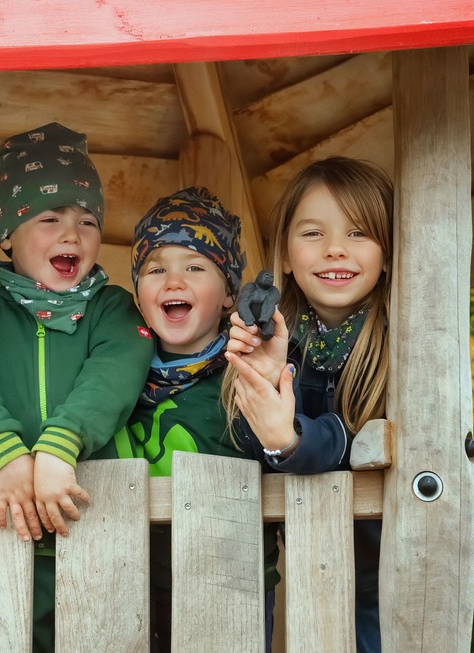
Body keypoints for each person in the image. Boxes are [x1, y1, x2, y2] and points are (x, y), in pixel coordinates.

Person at [0, 122, 153, 652]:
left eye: (87, 220)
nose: (72, 233)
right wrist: (2, 450)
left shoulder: (115, 309)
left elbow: (113, 375)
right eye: (49, 218)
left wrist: (62, 443)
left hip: (96, 524)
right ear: (8, 234)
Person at [224, 156, 391, 653]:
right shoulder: (277, 338)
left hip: (396, 568)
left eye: (358, 233)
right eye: (313, 234)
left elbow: (367, 441)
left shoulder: (407, 342)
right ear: (287, 257)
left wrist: (293, 440)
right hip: (310, 570)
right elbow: (241, 443)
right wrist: (267, 375)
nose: (335, 249)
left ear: (389, 251)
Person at [113, 187, 281, 651]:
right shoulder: (114, 375)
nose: (173, 282)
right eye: (155, 268)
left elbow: (283, 451)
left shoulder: (244, 371)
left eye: (194, 267)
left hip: (230, 582)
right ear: (139, 294)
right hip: (129, 582)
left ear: (230, 292)